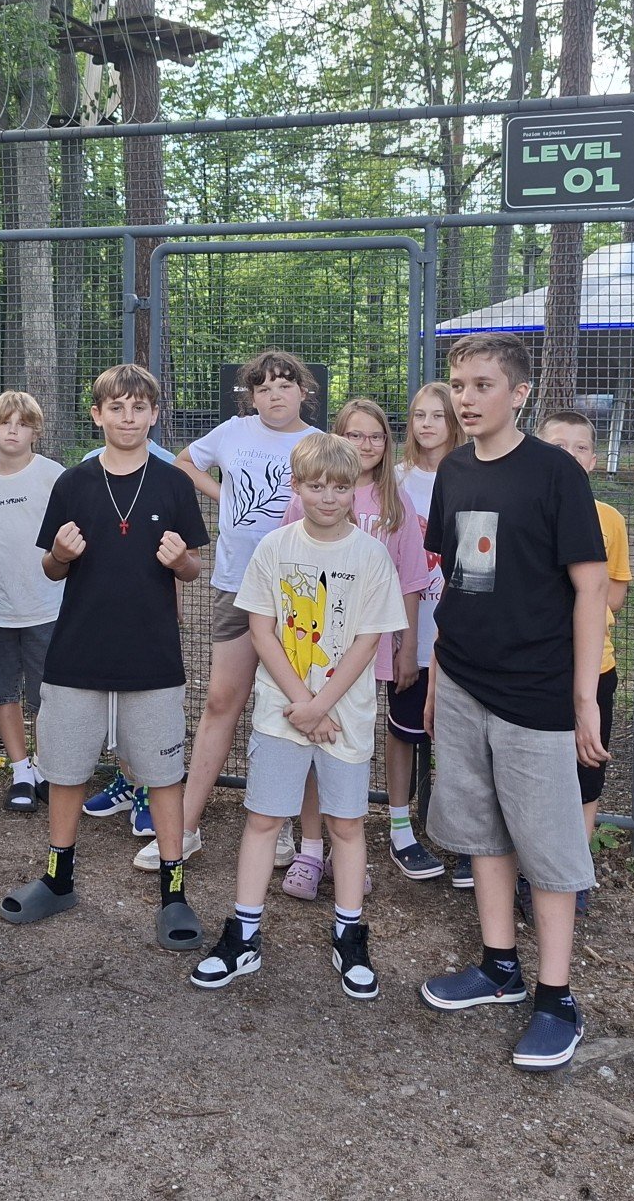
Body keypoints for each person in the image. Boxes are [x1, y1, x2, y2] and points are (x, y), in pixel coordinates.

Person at [416, 334, 609, 1072]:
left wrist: (584, 696)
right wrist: (440, 673)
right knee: (482, 831)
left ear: (519, 393)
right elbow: (459, 578)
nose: (466, 399)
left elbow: (590, 587)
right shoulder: (454, 469)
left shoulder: (556, 474)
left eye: (483, 385)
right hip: (464, 680)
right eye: (459, 385)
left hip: (536, 690)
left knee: (548, 847)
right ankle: (499, 966)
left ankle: (557, 998)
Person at [0, 364, 210, 953]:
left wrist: (181, 563)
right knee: (65, 772)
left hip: (153, 656)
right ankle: (57, 880)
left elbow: (193, 568)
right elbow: (51, 568)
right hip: (78, 653)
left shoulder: (173, 483)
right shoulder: (73, 483)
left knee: (163, 777)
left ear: (154, 414)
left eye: (139, 407)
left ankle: (173, 892)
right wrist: (61, 556)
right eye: (116, 407)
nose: (128, 417)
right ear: (97, 415)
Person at [191, 434, 405, 997]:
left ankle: (349, 933)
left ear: (354, 490)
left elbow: (368, 640)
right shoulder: (274, 548)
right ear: (297, 487)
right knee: (264, 819)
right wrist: (302, 705)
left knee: (347, 825)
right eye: (316, 486)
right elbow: (261, 630)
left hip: (343, 718)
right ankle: (243, 934)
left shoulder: (370, 555)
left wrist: (320, 706)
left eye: (339, 488)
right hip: (280, 714)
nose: (328, 498)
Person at [158, 349, 322, 872]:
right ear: (251, 397)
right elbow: (184, 462)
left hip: (298, 593)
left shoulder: (317, 444)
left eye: (285, 385)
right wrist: (223, 493)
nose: (275, 395)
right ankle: (184, 828)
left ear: (303, 392)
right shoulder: (232, 432)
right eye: (264, 388)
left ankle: (280, 822)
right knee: (221, 700)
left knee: (291, 707)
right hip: (237, 585)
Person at [275, 399, 428, 902]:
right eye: (355, 435)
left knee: (349, 750)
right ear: (336, 438)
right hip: (311, 648)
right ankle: (310, 848)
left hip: (368, 650)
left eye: (376, 436)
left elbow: (410, 580)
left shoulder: (395, 504)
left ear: (387, 444)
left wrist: (406, 646)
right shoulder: (305, 499)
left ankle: (347, 851)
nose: (366, 444)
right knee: (310, 748)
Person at [537, 410, 634, 910]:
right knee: (535, 771)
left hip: (595, 666)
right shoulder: (527, 505)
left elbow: (613, 593)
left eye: (580, 448)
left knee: (585, 768)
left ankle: (574, 869)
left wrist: (581, 603)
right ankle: (531, 869)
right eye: (558, 446)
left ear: (594, 461)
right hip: (538, 667)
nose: (570, 456)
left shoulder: (609, 518)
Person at [0, 390, 65, 812]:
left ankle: (47, 769)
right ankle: (21, 772)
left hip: (47, 606)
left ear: (35, 432)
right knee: (2, 694)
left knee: (49, 695)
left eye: (23, 424)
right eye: (5, 423)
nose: (13, 431)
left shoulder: (54, 477)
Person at [392, 381, 463, 885]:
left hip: (459, 635)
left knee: (460, 741)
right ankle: (400, 828)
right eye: (419, 415)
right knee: (403, 730)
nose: (428, 424)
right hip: (409, 634)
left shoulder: (472, 472)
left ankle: (464, 838)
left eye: (438, 415)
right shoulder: (396, 479)